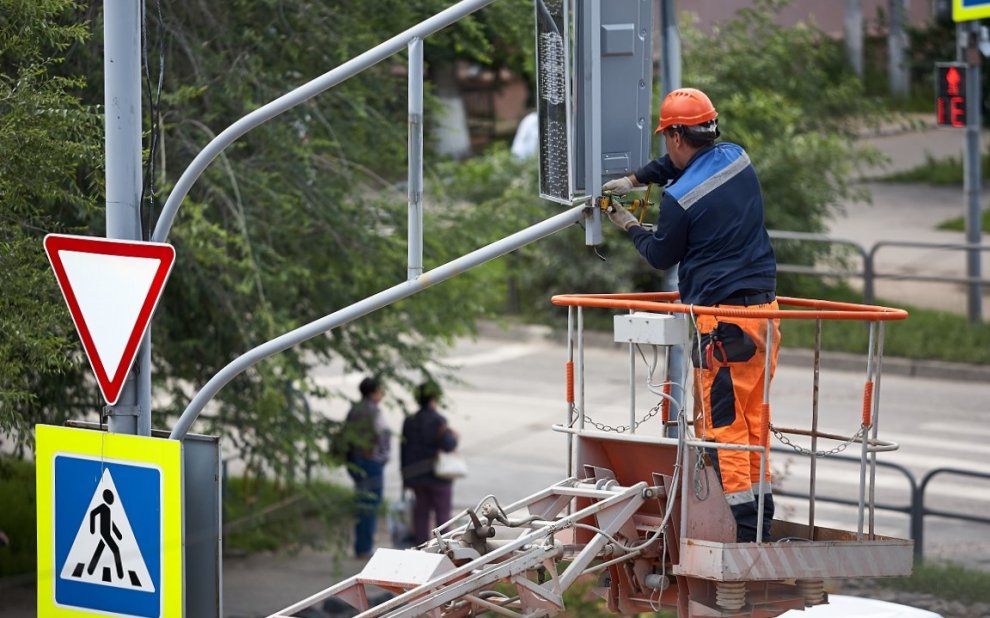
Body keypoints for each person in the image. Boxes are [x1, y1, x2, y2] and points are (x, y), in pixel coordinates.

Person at [602, 87, 780, 543]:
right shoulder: (736, 158)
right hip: (764, 315)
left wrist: (628, 224)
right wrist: (637, 178)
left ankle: (741, 529)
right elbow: (681, 166)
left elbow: (662, 255)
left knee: (726, 427)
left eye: (667, 138)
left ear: (677, 135)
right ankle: (761, 518)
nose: (667, 148)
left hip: (721, 323)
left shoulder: (680, 201)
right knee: (755, 417)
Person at [400, 380, 458, 545]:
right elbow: (448, 445)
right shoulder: (439, 420)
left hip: (416, 476)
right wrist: (453, 437)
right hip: (439, 476)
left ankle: (421, 547)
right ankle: (444, 547)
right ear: (435, 398)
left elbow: (403, 450)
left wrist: (405, 477)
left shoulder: (409, 420)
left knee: (421, 514)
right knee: (443, 516)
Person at [343, 376, 391, 559]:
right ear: (374, 392)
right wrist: (383, 457)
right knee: (370, 504)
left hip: (355, 460)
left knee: (362, 502)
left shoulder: (355, 410)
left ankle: (361, 545)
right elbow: (383, 434)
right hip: (371, 462)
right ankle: (365, 547)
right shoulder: (373, 411)